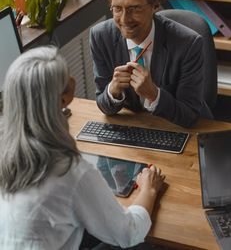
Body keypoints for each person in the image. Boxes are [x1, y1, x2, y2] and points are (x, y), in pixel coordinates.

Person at [0, 45, 165, 250]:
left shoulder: (5, 149)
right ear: (63, 98)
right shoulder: (69, 172)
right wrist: (148, 191)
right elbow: (128, 233)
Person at [90, 0, 212, 128]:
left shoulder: (189, 44)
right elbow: (104, 106)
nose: (125, 20)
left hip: (178, 128)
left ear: (155, 5)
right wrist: (113, 90)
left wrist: (154, 95)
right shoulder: (100, 36)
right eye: (117, 9)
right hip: (133, 128)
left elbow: (189, 115)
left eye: (134, 8)